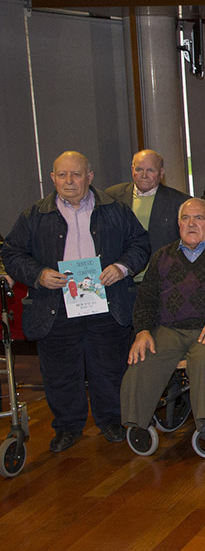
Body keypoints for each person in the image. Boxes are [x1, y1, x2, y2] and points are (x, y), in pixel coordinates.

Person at [2, 151, 150, 453]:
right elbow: (12, 254)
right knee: (60, 372)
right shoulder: (34, 216)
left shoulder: (115, 210)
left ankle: (111, 421)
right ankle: (68, 427)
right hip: (55, 306)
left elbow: (140, 243)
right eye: (63, 175)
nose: (70, 181)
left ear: (90, 177)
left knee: (108, 367)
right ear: (53, 178)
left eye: (77, 174)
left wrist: (121, 268)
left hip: (107, 304)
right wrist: (39, 274)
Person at [120, 198, 205, 448]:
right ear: (178, 224)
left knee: (204, 360)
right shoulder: (162, 256)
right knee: (143, 357)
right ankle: (137, 422)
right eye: (185, 218)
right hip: (169, 328)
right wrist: (142, 332)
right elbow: (146, 301)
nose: (191, 223)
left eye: (199, 218)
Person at [104, 149, 187, 281]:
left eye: (150, 170)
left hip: (164, 281)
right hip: (121, 282)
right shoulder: (111, 196)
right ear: (132, 170)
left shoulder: (180, 202)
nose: (144, 175)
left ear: (161, 173)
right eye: (139, 169)